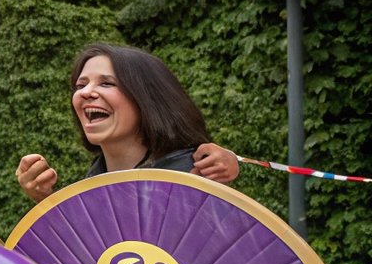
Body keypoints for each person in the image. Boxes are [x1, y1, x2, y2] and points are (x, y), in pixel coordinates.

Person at [16, 43, 240, 202]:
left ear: (146, 99)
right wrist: (44, 198)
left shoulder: (193, 180)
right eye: (80, 85)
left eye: (107, 83)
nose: (86, 92)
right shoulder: (91, 187)